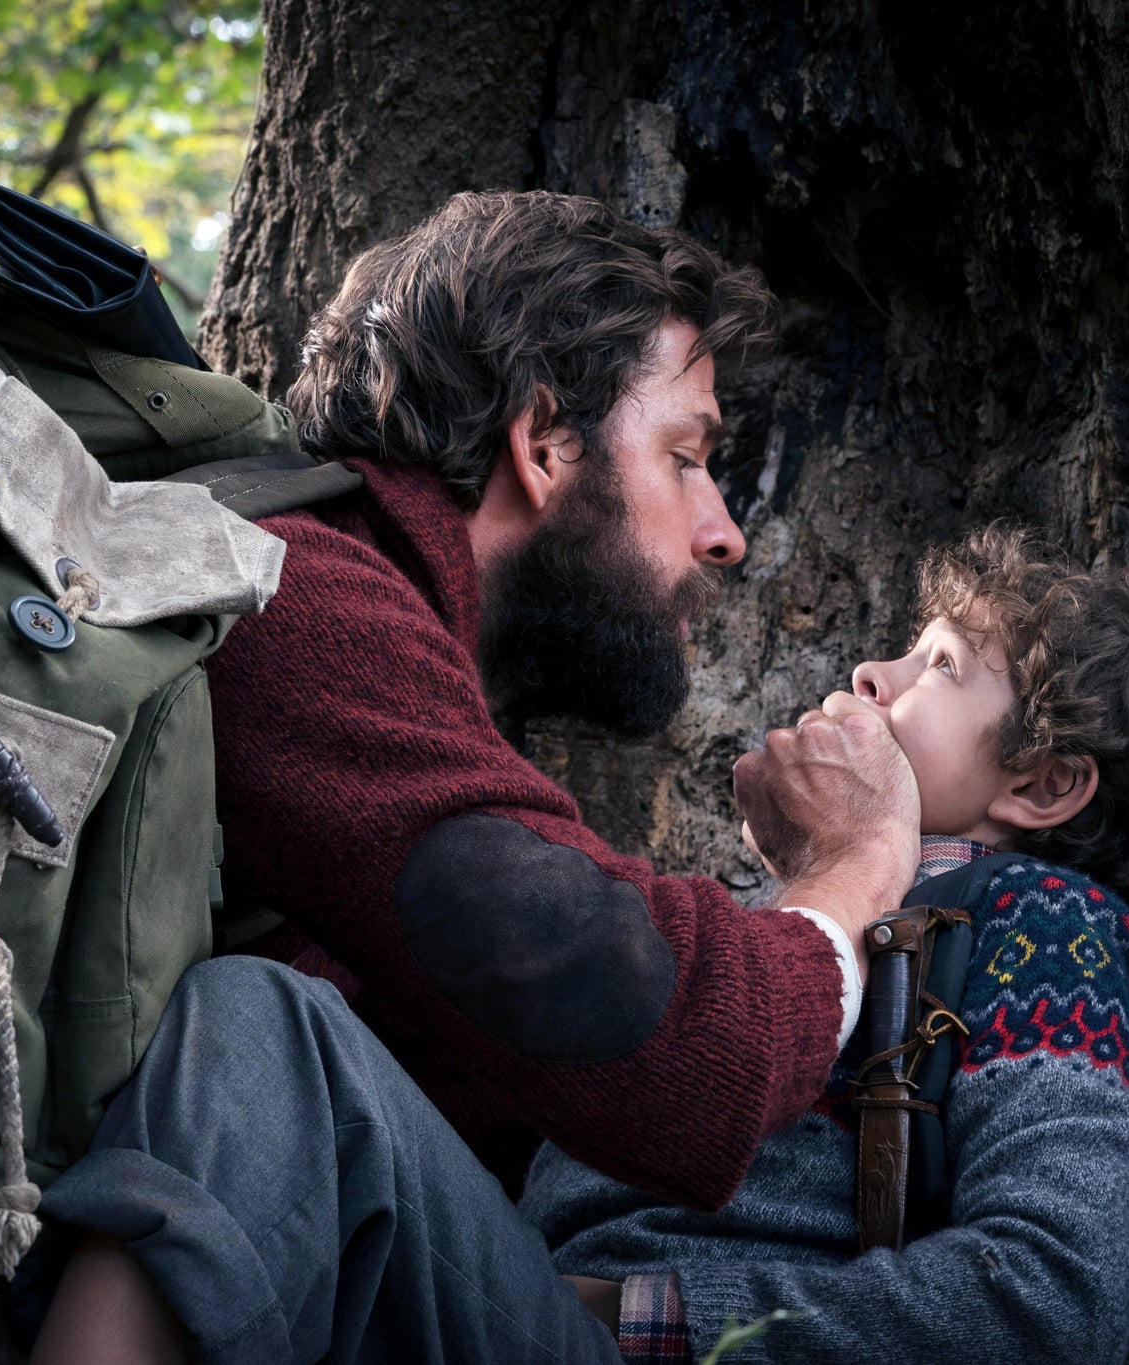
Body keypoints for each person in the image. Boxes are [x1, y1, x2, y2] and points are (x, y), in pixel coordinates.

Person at [23, 524, 1129, 1364]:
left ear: (1048, 788)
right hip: (525, 1306)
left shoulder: (1045, 928)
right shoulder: (788, 908)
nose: (870, 670)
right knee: (259, 1013)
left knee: (265, 1030)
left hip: (621, 1341)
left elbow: (1049, 1300)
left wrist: (654, 1320)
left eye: (940, 664)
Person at [198, 189, 921, 1204]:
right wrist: (860, 862)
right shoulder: (296, 604)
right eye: (682, 457)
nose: (723, 534)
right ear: (541, 445)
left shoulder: (370, 623)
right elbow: (680, 1059)